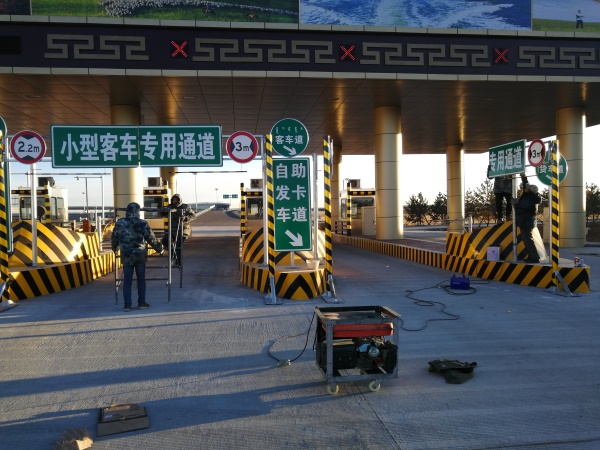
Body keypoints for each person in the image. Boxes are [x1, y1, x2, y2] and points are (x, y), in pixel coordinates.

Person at [111, 202, 163, 311]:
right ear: (138, 211)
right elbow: (151, 238)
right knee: (141, 279)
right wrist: (159, 249)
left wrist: (114, 248)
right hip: (139, 254)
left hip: (126, 255)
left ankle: (127, 305)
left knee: (127, 280)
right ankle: (141, 303)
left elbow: (114, 237)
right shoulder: (142, 223)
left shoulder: (120, 223)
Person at [511, 174, 542, 263]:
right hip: (526, 221)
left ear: (529, 190)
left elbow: (522, 209)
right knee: (527, 239)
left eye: (527, 188)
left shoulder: (529, 199)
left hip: (526, 222)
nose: (524, 189)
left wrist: (515, 204)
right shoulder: (529, 196)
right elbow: (525, 183)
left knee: (528, 240)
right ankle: (531, 257)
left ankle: (534, 258)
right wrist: (523, 176)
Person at [161, 194, 197, 265]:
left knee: (178, 245)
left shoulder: (185, 207)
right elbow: (163, 214)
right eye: (173, 200)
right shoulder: (170, 207)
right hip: (172, 230)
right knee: (165, 241)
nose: (175, 201)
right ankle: (173, 254)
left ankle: (179, 262)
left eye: (176, 200)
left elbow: (193, 215)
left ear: (179, 200)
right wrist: (162, 211)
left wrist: (186, 218)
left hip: (183, 230)